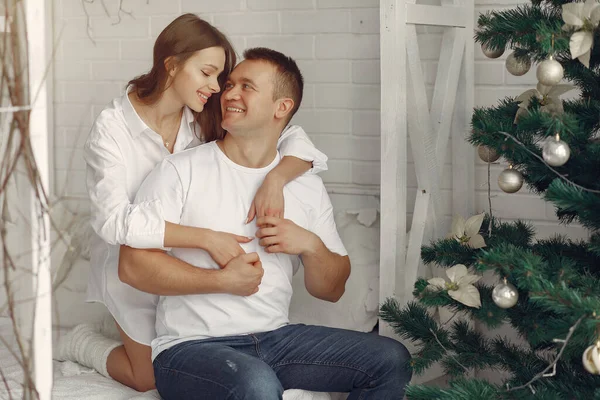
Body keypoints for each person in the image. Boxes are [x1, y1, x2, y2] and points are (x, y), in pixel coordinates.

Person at [55, 14, 329, 393]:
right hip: (131, 265)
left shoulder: (203, 112)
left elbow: (292, 135)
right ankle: (80, 342)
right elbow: (114, 223)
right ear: (172, 66)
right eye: (207, 73)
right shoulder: (111, 128)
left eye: (220, 77)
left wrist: (276, 179)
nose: (217, 87)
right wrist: (205, 238)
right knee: (145, 376)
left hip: (184, 269)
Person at [120, 47, 413, 400]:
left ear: (282, 107)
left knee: (389, 359)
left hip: (275, 339)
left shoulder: (304, 185)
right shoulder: (180, 171)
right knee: (255, 383)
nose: (229, 93)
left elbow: (331, 289)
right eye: (229, 84)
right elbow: (132, 266)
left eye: (246, 86)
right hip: (189, 348)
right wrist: (220, 281)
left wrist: (310, 245)